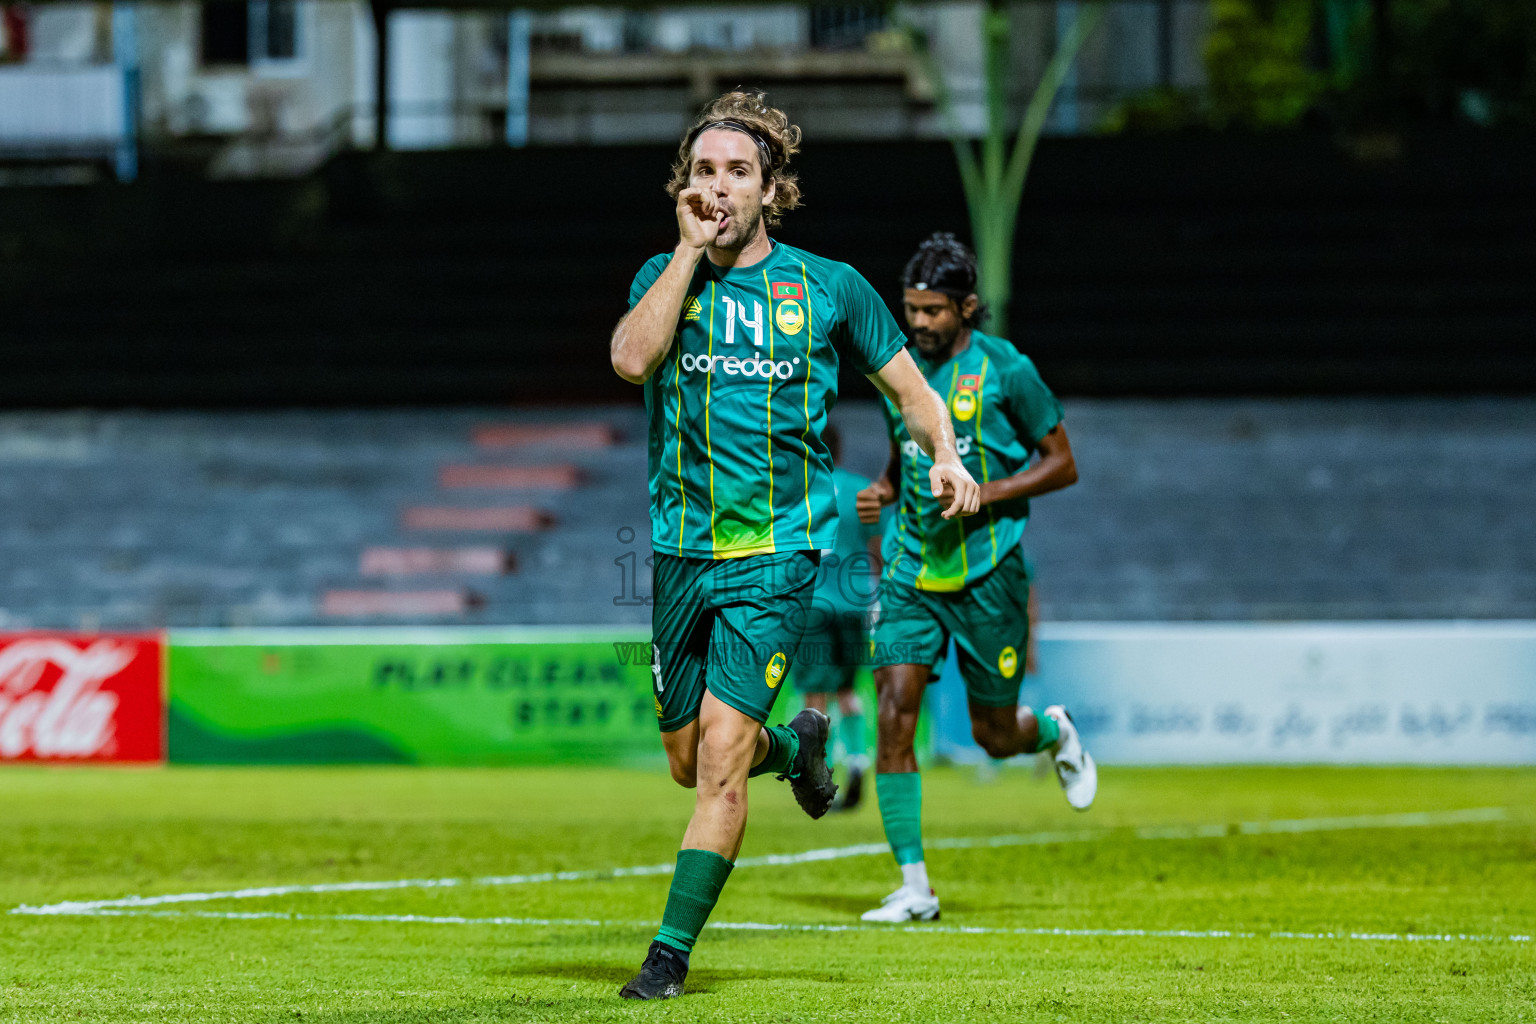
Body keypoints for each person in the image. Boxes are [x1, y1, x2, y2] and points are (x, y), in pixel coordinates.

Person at [609, 95, 980, 998]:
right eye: (704, 171)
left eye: (739, 171)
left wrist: (946, 450)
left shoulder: (829, 288)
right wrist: (690, 254)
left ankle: (668, 956)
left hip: (776, 555)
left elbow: (910, 388)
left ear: (772, 188)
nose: (719, 186)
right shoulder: (665, 275)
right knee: (688, 758)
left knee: (722, 761)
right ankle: (802, 753)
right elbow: (629, 359)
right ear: (684, 187)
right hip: (677, 552)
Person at [855, 232, 1096, 924]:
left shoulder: (1006, 370)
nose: (920, 323)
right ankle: (915, 887)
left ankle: (1051, 732)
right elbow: (907, 459)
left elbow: (1063, 462)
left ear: (967, 307)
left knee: (994, 734)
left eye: (933, 311)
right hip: (911, 570)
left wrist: (985, 494)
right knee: (894, 718)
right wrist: (884, 490)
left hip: (989, 572)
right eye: (911, 309)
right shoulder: (895, 373)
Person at [788, 423, 880, 811]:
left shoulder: (799, 493)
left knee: (814, 697)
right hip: (853, 604)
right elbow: (877, 550)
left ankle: (819, 777)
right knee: (848, 692)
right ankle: (858, 762)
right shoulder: (863, 490)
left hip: (813, 606)